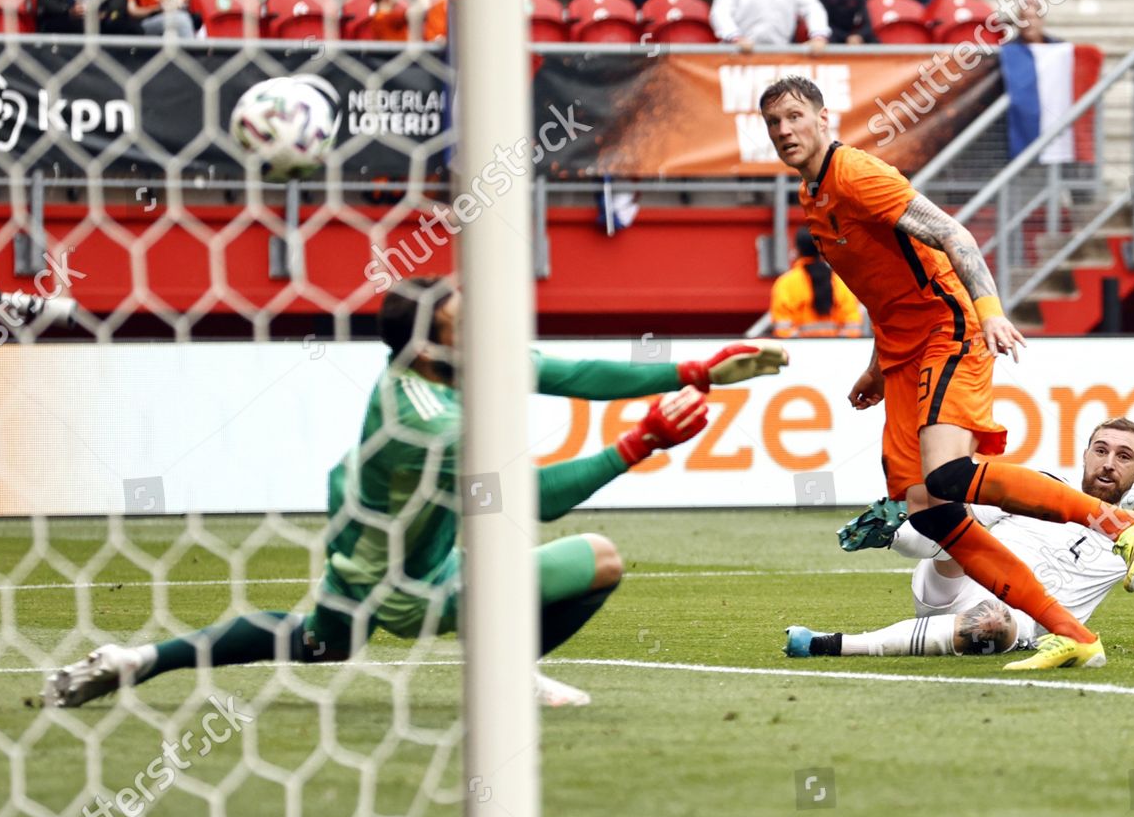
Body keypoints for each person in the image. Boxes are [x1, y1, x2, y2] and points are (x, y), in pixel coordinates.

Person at [44, 277, 790, 708]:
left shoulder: (452, 368)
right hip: (400, 584)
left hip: (383, 549)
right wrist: (640, 444)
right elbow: (536, 498)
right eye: (464, 320)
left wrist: (690, 372)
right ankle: (506, 677)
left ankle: (135, 659)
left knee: (316, 642)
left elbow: (573, 374)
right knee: (599, 558)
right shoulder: (429, 422)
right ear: (429, 344)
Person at [759, 74, 1134, 671]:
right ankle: (1072, 635)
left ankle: (1121, 521)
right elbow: (881, 291)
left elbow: (954, 234)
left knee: (950, 474)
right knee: (931, 512)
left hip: (947, 330)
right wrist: (876, 368)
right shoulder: (813, 198)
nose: (784, 131)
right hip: (901, 354)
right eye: (774, 123)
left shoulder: (856, 174)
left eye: (795, 116)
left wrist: (990, 312)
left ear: (826, 120)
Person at [788, 418, 1134, 659]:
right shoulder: (1037, 491)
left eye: (1123, 457)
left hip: (1012, 623)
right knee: (954, 518)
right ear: (1084, 455)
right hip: (953, 581)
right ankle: (897, 533)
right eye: (1100, 450)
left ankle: (827, 644)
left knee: (992, 622)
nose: (1107, 462)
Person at [770, 229, 864, 337]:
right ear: (821, 248)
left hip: (799, 352)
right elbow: (853, 326)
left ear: (797, 250)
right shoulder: (840, 283)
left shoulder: (785, 284)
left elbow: (782, 330)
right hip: (836, 352)